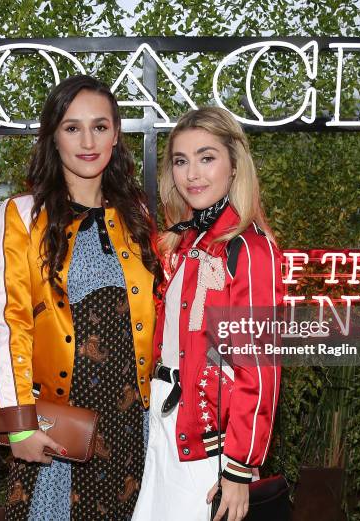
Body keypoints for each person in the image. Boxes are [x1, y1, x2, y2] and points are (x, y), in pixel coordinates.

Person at [0, 74, 162, 520]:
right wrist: (18, 428)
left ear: (116, 134)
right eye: (72, 127)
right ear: (53, 137)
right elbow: (11, 325)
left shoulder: (137, 214)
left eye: (100, 126)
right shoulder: (22, 215)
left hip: (129, 422)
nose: (88, 141)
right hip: (61, 424)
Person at [133, 107, 285, 521]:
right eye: (181, 161)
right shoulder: (188, 240)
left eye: (207, 157)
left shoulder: (250, 248)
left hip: (211, 444)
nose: (192, 174)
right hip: (167, 426)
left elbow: (260, 366)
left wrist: (239, 467)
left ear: (234, 166)